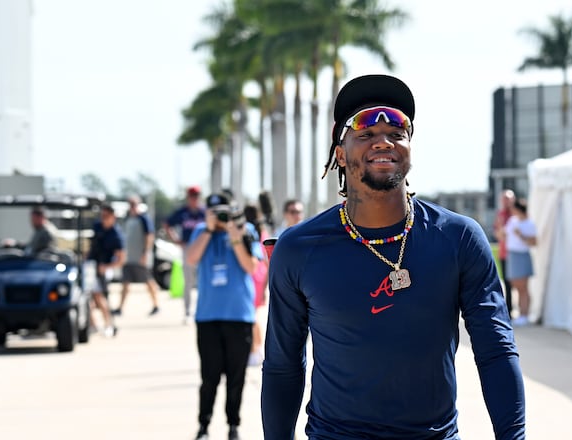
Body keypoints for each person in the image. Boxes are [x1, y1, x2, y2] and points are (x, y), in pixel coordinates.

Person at [261, 74, 526, 439]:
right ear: (340, 153)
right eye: (366, 134)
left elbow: (496, 351)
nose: (383, 142)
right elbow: (282, 367)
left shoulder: (458, 238)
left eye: (397, 132)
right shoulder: (299, 248)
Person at [186, 192, 263, 440]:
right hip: (208, 316)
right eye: (214, 211)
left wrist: (234, 235)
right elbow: (191, 259)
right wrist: (209, 230)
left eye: (223, 211)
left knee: (236, 376)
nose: (219, 216)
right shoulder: (201, 231)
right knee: (209, 376)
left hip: (239, 315)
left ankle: (233, 425)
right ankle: (203, 426)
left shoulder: (244, 229)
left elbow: (251, 266)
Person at [113, 195, 160, 316]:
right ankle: (120, 308)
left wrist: (145, 253)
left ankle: (156, 305)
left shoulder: (144, 219)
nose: (132, 207)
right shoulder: (127, 219)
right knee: (125, 283)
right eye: (130, 204)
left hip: (140, 257)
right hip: (128, 257)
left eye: (134, 204)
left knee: (148, 281)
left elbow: (149, 236)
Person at [165, 185, 206, 321]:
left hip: (203, 248)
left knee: (203, 279)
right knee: (188, 280)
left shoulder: (203, 212)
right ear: (188, 198)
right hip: (188, 247)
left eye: (196, 196)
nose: (194, 199)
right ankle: (188, 311)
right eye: (192, 197)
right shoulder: (183, 212)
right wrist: (176, 239)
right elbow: (167, 223)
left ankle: (202, 308)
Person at [87, 203, 125, 337]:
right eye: (102, 216)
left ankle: (109, 324)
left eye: (106, 216)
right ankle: (93, 325)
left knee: (100, 296)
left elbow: (121, 259)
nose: (103, 218)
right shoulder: (97, 227)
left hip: (105, 268)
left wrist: (106, 267)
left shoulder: (116, 235)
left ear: (113, 217)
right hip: (91, 266)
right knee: (87, 298)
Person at [243, 204, 271, 367]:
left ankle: (255, 350)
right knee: (253, 315)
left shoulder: (248, 232)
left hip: (251, 275)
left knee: (251, 316)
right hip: (260, 275)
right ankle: (258, 348)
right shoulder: (263, 233)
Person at [504, 199, 537, 327]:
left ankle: (525, 315)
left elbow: (534, 242)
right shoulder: (512, 221)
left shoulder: (529, 224)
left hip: (522, 255)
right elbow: (504, 235)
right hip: (512, 255)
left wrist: (521, 235)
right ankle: (521, 314)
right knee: (516, 286)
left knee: (523, 287)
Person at [493, 189, 516, 317]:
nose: (506, 201)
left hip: (515, 253)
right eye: (504, 199)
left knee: (518, 282)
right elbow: (499, 234)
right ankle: (509, 309)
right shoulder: (500, 214)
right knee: (507, 282)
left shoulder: (516, 214)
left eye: (508, 199)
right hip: (504, 253)